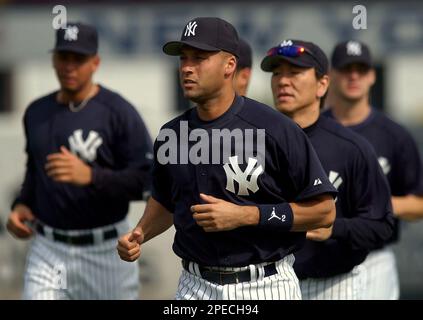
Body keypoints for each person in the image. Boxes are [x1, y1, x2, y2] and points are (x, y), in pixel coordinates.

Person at [117, 17, 338, 300]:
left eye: (199, 58)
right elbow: (166, 200)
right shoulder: (172, 133)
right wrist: (140, 233)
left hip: (264, 284)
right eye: (183, 58)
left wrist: (245, 215)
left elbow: (323, 211)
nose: (186, 67)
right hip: (194, 285)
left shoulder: (275, 129)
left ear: (229, 65)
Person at [6, 22, 153, 300]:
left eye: (79, 58)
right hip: (48, 249)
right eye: (64, 57)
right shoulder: (37, 112)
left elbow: (148, 181)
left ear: (95, 62)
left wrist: (92, 177)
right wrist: (22, 204)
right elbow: (34, 171)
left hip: (106, 248)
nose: (69, 66)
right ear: (53, 60)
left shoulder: (118, 112)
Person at [260, 39, 394, 299]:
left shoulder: (351, 147)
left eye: (295, 72)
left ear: (322, 84)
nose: (283, 81)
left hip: (332, 285)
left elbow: (382, 225)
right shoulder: (255, 143)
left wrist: (335, 228)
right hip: (266, 286)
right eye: (277, 73)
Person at [325, 40, 423, 299]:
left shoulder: (394, 135)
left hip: (375, 258)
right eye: (346, 69)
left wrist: (377, 204)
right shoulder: (312, 131)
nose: (353, 75)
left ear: (372, 76)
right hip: (320, 255)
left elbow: (420, 204)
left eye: (361, 69)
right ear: (331, 76)